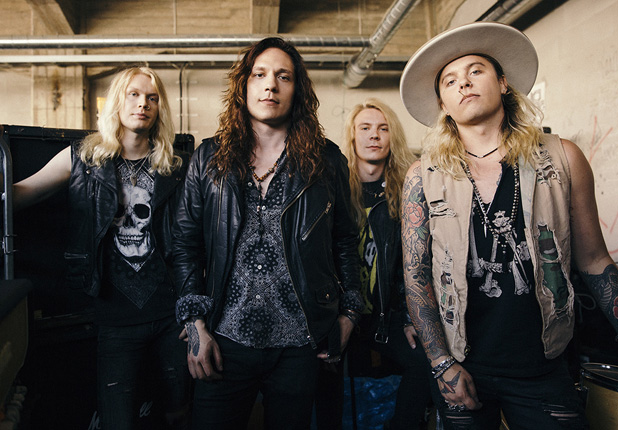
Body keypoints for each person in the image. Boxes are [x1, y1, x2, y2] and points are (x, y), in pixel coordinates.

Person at [399, 22, 618, 429]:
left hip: (544, 363)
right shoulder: (423, 175)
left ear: (503, 83)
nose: (463, 83)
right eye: (450, 80)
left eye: (476, 71)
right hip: (461, 365)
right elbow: (416, 276)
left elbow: (593, 258)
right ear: (444, 105)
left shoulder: (563, 158)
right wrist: (440, 362)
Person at [171, 36, 363, 429]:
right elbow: (185, 244)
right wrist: (195, 325)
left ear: (297, 90)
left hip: (301, 343)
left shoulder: (327, 160)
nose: (270, 85)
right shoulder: (208, 158)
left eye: (283, 76)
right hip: (224, 339)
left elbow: (345, 240)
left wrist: (349, 314)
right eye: (259, 75)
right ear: (243, 87)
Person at [13, 66, 192, 429]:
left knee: (180, 413)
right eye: (134, 94)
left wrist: (195, 310)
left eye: (152, 98)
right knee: (115, 419)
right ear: (116, 102)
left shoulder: (177, 166)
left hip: (170, 314)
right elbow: (20, 194)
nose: (143, 104)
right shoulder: (83, 158)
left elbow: (198, 241)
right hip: (114, 315)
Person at [317, 98, 430, 429]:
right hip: (339, 313)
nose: (374, 135)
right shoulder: (332, 188)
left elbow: (414, 261)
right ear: (352, 136)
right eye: (365, 128)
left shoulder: (407, 191)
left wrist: (410, 317)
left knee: (425, 362)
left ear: (392, 137)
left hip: (385, 316)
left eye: (383, 128)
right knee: (322, 375)